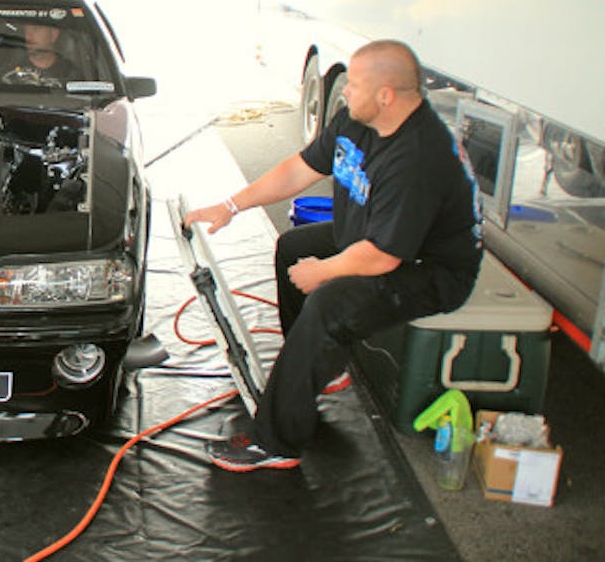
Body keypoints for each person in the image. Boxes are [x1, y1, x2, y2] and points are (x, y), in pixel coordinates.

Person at [184, 40, 483, 472]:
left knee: (329, 302)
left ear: (386, 95)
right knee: (294, 247)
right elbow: (300, 168)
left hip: (428, 268)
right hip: (376, 238)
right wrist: (230, 206)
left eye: (354, 85)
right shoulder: (360, 119)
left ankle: (276, 441)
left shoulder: (418, 156)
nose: (344, 92)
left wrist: (323, 272)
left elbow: (381, 258)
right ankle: (317, 369)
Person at [0, 20, 78, 83]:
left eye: (36, 29)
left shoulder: (71, 74)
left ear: (54, 34)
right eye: (26, 30)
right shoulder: (10, 73)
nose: (28, 36)